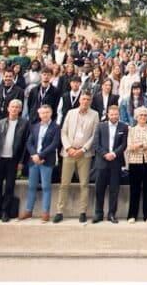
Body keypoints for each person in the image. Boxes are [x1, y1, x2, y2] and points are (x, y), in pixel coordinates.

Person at [55, 91, 97, 223]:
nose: (85, 101)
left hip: (84, 154)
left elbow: (94, 135)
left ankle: (82, 211)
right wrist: (68, 147)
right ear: (80, 100)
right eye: (83, 99)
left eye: (88, 99)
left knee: (84, 183)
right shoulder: (71, 113)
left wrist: (83, 149)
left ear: (90, 101)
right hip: (69, 153)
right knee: (64, 183)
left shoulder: (94, 114)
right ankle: (60, 211)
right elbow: (64, 132)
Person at [0, 99, 29, 222]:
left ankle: (5, 211)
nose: (14, 109)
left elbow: (25, 145)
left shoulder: (24, 124)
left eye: (17, 107)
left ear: (20, 110)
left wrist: (21, 162)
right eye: (12, 107)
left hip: (13, 160)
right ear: (8, 108)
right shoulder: (0, 123)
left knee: (10, 186)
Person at [20, 104, 61, 223]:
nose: (44, 115)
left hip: (46, 161)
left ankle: (45, 212)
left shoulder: (56, 127)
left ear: (51, 113)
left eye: (47, 112)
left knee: (46, 187)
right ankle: (28, 210)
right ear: (39, 114)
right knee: (32, 186)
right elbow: (29, 143)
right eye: (42, 113)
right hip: (34, 160)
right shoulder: (35, 126)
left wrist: (41, 155)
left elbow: (54, 144)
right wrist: (34, 155)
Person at [92, 105, 128, 224]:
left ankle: (112, 213)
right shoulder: (100, 126)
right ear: (108, 114)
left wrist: (114, 154)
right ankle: (98, 213)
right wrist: (105, 154)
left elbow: (124, 145)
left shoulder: (124, 127)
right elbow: (96, 144)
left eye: (116, 114)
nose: (114, 116)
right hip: (102, 162)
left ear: (119, 114)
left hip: (115, 162)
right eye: (112, 114)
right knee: (99, 189)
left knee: (114, 189)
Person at [125, 106, 147, 223]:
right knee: (134, 189)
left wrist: (140, 145)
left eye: (145, 116)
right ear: (137, 117)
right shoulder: (132, 130)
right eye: (141, 115)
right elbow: (130, 146)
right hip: (135, 161)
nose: (143, 117)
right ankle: (132, 215)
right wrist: (144, 145)